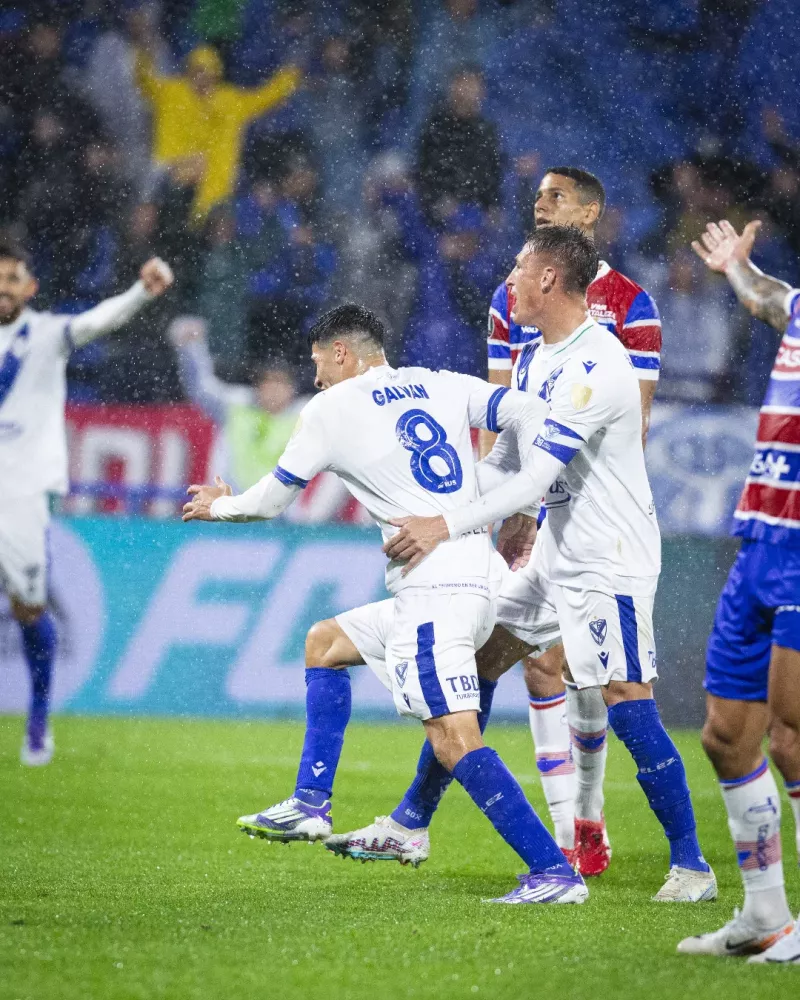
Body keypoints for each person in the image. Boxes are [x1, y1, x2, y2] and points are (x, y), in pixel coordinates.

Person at [332, 226, 715, 904]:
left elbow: (539, 472)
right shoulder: (537, 358)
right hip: (556, 550)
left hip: (609, 555)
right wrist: (441, 495)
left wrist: (443, 525)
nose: (507, 276)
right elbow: (507, 461)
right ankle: (411, 822)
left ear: (548, 280)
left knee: (627, 698)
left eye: (518, 266)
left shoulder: (597, 366)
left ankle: (692, 867)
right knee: (484, 657)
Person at [182, 302, 589, 905]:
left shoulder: (329, 408)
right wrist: (519, 494)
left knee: (454, 738)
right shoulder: (438, 382)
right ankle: (310, 803)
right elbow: (531, 410)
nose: (315, 378)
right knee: (325, 643)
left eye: (319, 363)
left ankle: (553, 873)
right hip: (477, 572)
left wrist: (218, 505)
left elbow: (271, 502)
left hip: (435, 592)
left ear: (342, 354)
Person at [485, 167, 663, 873]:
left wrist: (544, 491)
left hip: (599, 507)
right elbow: (499, 412)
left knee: (594, 678)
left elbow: (636, 420)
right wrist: (509, 505)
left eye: (556, 196)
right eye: (538, 196)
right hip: (536, 501)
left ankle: (591, 813)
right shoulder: (512, 294)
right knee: (537, 664)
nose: (540, 203)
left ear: (591, 213)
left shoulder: (632, 304)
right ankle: (573, 832)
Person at [676, 219, 800, 963]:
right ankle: (764, 916)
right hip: (759, 539)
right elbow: (772, 300)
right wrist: (738, 269)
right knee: (728, 737)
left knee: (793, 735)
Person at [0, 240, 173, 765]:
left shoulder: (48, 333)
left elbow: (97, 321)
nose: (3, 288)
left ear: (30, 289)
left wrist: (141, 293)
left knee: (28, 605)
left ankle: (38, 718)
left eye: (12, 279)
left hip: (23, 488)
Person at [133, 25, 301, 220]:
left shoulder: (230, 100)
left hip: (213, 188)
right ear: (188, 71)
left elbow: (263, 98)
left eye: (207, 72)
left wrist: (291, 76)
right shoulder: (172, 92)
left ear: (216, 74)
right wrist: (144, 53)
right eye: (196, 71)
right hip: (167, 175)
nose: (201, 77)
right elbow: (145, 82)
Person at [169, 316, 302, 492]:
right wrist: (191, 347)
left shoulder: (304, 415)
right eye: (268, 383)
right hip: (230, 509)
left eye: (281, 384)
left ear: (292, 390)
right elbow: (200, 388)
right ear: (257, 387)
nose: (274, 391)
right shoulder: (236, 405)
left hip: (280, 513)